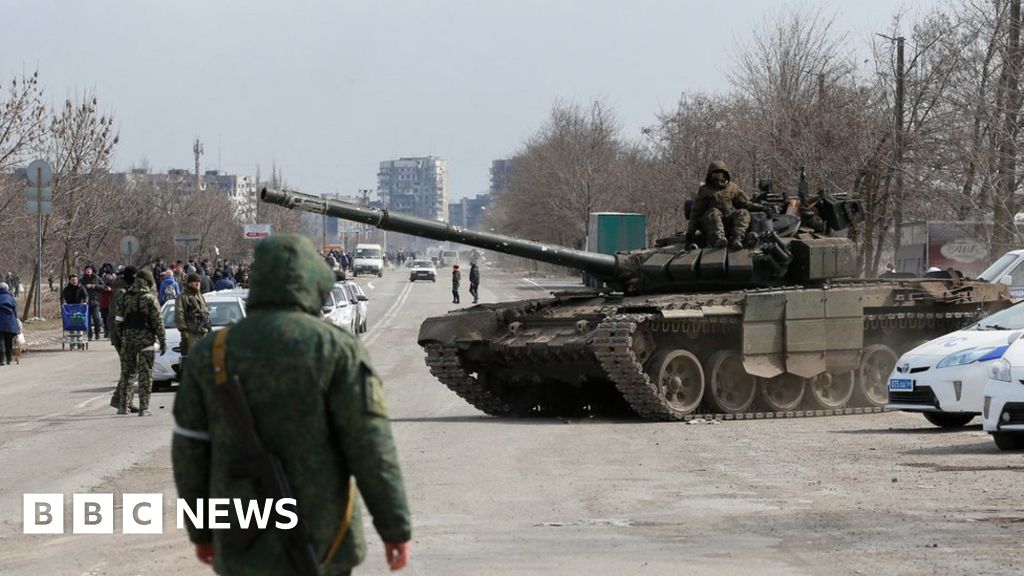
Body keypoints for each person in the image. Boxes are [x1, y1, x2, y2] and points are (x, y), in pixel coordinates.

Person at [172, 234, 411, 575]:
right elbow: (370, 445)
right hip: (324, 535)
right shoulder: (336, 348)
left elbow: (190, 453)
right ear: (313, 281)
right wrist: (394, 528)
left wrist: (202, 532)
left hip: (242, 537)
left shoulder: (212, 352)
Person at [115, 269, 166, 416]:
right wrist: (162, 340)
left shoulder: (124, 297)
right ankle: (144, 408)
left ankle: (123, 406)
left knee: (127, 373)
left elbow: (118, 321)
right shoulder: (150, 299)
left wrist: (122, 337)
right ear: (148, 282)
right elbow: (158, 322)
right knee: (145, 374)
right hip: (146, 341)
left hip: (128, 340)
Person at [686, 160, 766, 251]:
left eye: (720, 175)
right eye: (715, 175)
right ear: (710, 176)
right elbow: (695, 211)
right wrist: (691, 231)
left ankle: (737, 238)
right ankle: (719, 239)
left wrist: (762, 207)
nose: (718, 178)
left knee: (743, 212)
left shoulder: (732, 187)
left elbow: (745, 203)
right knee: (714, 212)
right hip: (710, 224)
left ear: (725, 175)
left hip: (728, 221)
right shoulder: (705, 190)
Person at [109, 266, 139, 412]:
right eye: (134, 275)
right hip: (122, 336)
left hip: (128, 335)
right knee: (129, 368)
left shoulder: (128, 290)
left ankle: (125, 400)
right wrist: (121, 337)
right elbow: (118, 317)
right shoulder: (121, 293)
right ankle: (120, 400)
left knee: (130, 368)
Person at [174, 273, 210, 358]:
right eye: (195, 282)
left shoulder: (200, 295)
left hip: (203, 331)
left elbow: (205, 311)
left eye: (199, 282)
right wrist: (183, 330)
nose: (198, 284)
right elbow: (179, 314)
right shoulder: (183, 297)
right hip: (191, 332)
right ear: (189, 283)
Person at [0, 282, 18, 366]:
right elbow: (15, 311)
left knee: (1, 341)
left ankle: (1, 360)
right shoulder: (11, 298)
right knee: (9, 341)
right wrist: (16, 320)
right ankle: (9, 359)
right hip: (10, 322)